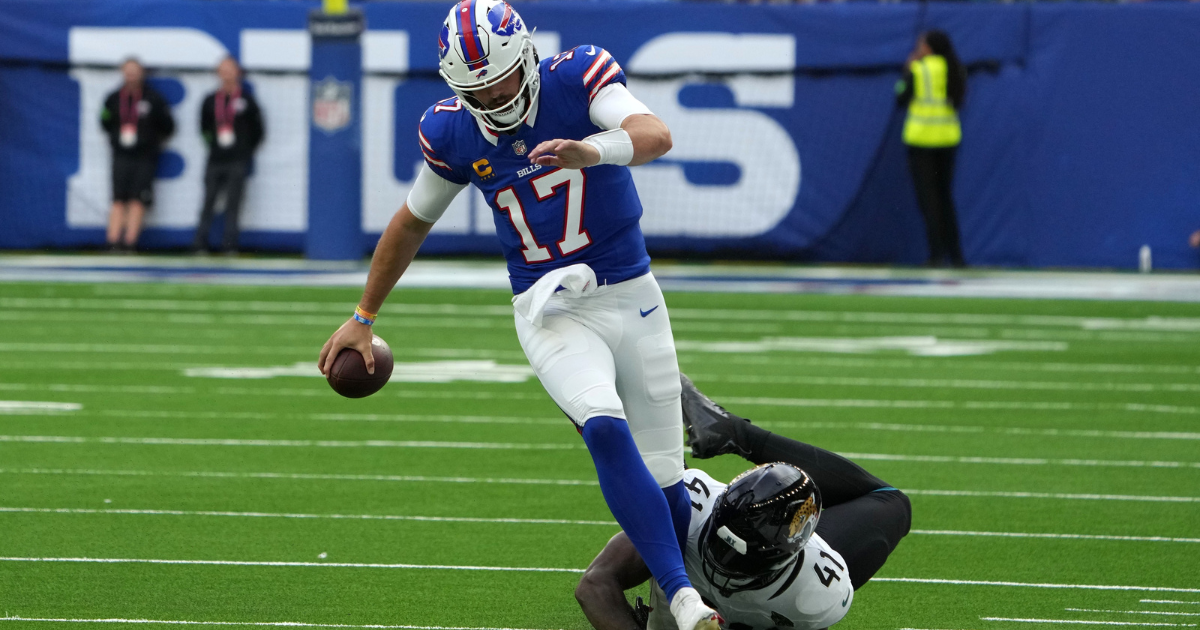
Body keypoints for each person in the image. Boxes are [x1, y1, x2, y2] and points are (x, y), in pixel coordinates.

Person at [317, 3, 718, 630]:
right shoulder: (453, 131)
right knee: (602, 423)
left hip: (633, 294)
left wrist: (595, 150)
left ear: (524, 58)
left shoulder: (575, 77)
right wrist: (363, 316)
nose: (493, 96)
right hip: (548, 309)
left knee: (667, 476)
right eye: (475, 88)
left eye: (499, 79)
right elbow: (412, 220)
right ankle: (686, 597)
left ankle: (675, 609)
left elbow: (656, 134)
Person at [576, 376, 912, 630]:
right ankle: (735, 434)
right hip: (701, 523)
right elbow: (595, 584)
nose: (721, 562)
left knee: (892, 502)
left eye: (736, 559)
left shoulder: (813, 592)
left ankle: (736, 433)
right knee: (649, 479)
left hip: (786, 578)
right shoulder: (688, 512)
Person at [897, 31, 967, 268]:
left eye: (921, 44)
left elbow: (900, 96)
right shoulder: (955, 68)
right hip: (947, 139)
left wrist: (905, 73)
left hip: (922, 141)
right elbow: (959, 101)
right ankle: (956, 255)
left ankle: (936, 255)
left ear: (928, 48)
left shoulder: (920, 69)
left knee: (929, 201)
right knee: (945, 197)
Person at [100, 58, 175, 252]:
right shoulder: (114, 98)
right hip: (121, 154)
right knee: (118, 198)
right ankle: (113, 241)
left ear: (142, 73)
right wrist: (118, 137)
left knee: (137, 199)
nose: (131, 75)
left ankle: (130, 242)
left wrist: (149, 140)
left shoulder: (153, 98)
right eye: (128, 71)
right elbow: (104, 120)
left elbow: (168, 126)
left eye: (135, 71)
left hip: (145, 156)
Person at [192, 56, 264, 255]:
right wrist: (215, 145)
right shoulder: (210, 100)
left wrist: (243, 149)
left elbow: (258, 130)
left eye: (230, 69)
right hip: (215, 159)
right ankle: (200, 244)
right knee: (208, 202)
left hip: (237, 160)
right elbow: (203, 128)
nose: (227, 74)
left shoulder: (246, 100)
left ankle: (229, 246)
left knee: (234, 203)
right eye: (223, 70)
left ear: (238, 72)